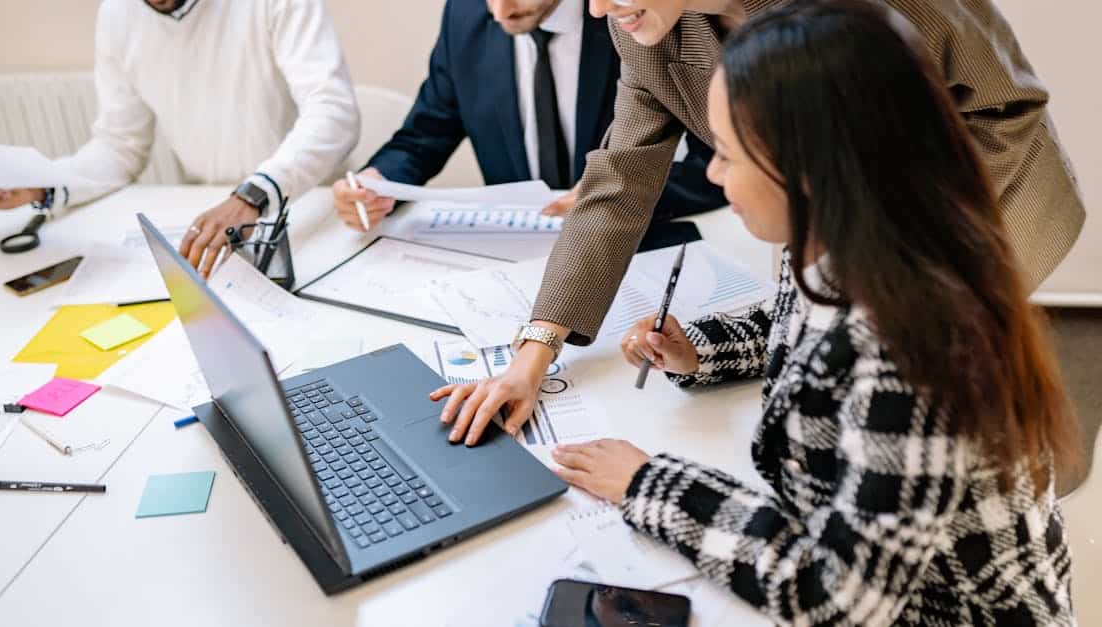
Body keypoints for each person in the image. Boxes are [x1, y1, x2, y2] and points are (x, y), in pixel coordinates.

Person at [551, 2, 1077, 624]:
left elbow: (840, 597)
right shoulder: (840, 244)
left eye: (727, 154)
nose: (713, 176)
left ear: (808, 164)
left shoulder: (914, 346)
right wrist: (703, 349)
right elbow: (807, 327)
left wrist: (649, 485)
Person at [431, 0, 1086, 447]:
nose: (598, 9)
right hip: (844, 220)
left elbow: (1006, 107)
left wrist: (919, 260)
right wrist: (532, 354)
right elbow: (619, 179)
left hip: (980, 197)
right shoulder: (646, 23)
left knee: (930, 405)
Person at [0, 0, 359, 277]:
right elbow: (119, 147)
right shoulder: (118, 15)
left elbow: (334, 112)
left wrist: (252, 196)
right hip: (212, 220)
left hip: (309, 208)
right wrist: (40, 184)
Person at [330, 0, 726, 232]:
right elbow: (425, 133)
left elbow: (714, 168)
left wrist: (615, 199)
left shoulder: (636, 19)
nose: (499, 12)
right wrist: (376, 182)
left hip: (632, 246)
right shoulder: (465, 17)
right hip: (512, 256)